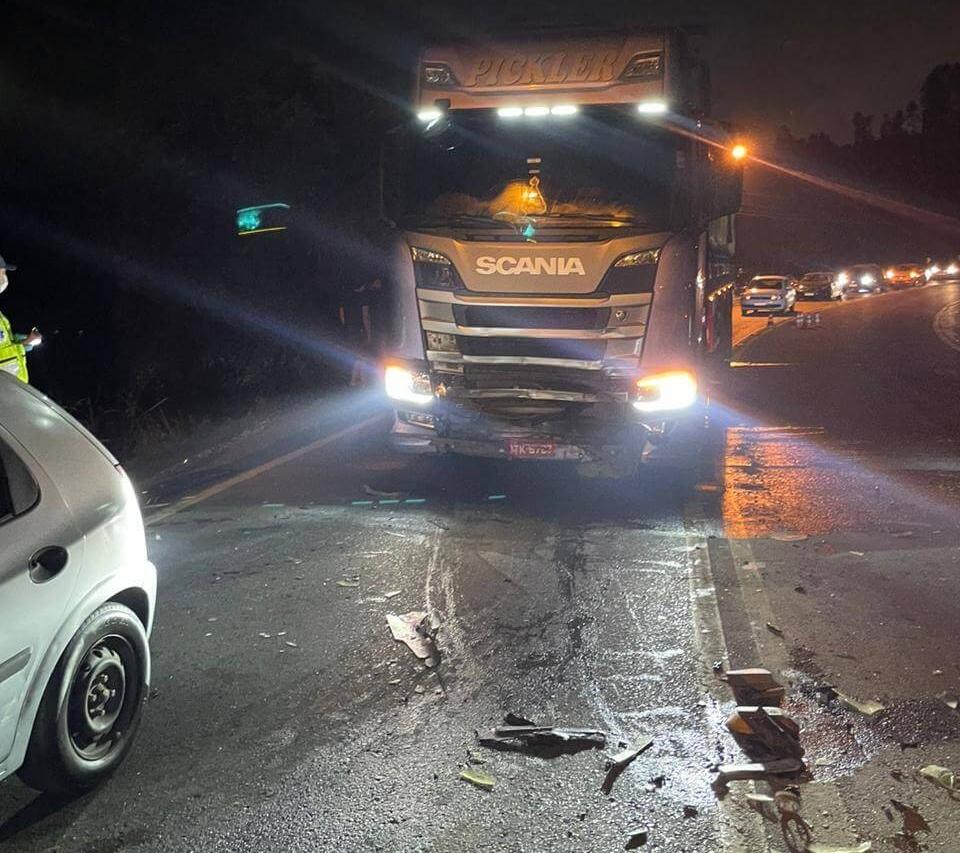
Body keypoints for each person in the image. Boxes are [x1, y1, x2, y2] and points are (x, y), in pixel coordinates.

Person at [0, 254, 42, 383]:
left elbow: (4, 346)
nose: (4, 278)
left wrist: (26, 341)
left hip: (10, 391)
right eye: (2, 272)